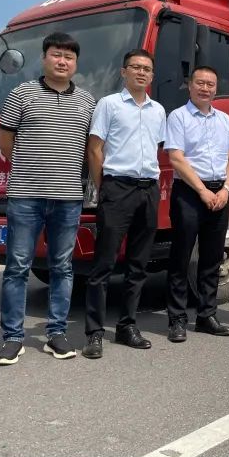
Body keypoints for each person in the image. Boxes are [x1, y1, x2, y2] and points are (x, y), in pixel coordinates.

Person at [0, 32, 96, 366]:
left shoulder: (87, 101)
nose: (62, 61)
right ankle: (13, 337)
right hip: (25, 196)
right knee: (17, 266)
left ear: (76, 63)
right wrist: (30, 169)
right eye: (56, 54)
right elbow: (4, 141)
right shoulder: (22, 94)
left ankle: (56, 333)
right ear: (44, 58)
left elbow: (91, 148)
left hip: (68, 198)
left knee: (62, 267)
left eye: (69, 57)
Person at [81, 49, 166, 358]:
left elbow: (156, 149)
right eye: (135, 67)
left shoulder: (158, 110)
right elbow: (95, 149)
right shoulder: (109, 104)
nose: (141, 72)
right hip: (117, 189)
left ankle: (127, 326)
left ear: (152, 75)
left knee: (138, 265)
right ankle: (94, 333)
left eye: (147, 68)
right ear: (123, 72)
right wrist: (104, 187)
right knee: (103, 264)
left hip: (148, 190)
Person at [164, 65, 229, 342]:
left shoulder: (224, 119)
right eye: (200, 83)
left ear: (215, 88)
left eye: (210, 84)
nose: (205, 88)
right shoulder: (178, 116)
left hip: (220, 191)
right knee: (181, 257)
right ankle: (177, 319)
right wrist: (202, 191)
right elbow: (176, 157)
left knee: (212, 257)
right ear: (190, 85)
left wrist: (227, 190)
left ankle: (207, 315)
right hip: (189, 192)